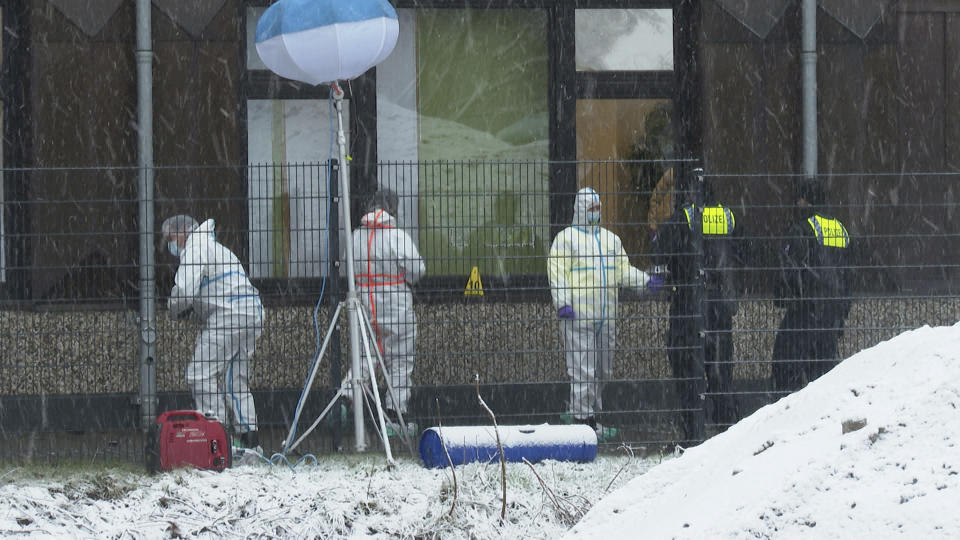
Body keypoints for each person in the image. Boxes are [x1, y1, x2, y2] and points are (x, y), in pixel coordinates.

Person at [548, 187, 664, 442]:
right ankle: (582, 423)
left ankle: (587, 415)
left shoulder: (611, 241)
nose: (595, 213)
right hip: (578, 318)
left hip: (606, 317)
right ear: (579, 209)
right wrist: (563, 303)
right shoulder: (566, 240)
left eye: (597, 208)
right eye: (590, 209)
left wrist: (645, 281)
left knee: (603, 371)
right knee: (583, 371)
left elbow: (623, 270)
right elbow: (557, 274)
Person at [162, 214, 265, 458]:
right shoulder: (216, 248)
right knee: (235, 380)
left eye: (171, 239)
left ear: (185, 231)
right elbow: (212, 292)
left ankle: (217, 439)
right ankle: (250, 444)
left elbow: (185, 292)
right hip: (251, 312)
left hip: (229, 316)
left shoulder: (195, 247)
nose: (170, 246)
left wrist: (172, 307)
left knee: (199, 373)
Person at [652, 182, 745, 441]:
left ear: (691, 194)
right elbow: (746, 251)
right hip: (721, 305)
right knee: (720, 370)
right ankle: (727, 431)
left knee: (687, 370)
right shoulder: (728, 217)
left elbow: (659, 253)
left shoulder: (684, 217)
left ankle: (694, 434)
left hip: (689, 302)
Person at [352, 189, 426, 437]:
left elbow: (347, 271)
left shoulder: (355, 238)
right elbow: (418, 270)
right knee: (400, 361)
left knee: (366, 357)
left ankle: (346, 400)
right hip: (397, 309)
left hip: (366, 309)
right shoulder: (396, 236)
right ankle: (396, 417)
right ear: (392, 209)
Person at [772, 181, 852, 392]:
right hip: (832, 312)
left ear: (806, 200)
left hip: (806, 310)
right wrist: (843, 308)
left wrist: (784, 297)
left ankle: (788, 414)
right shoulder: (841, 229)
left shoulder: (803, 228)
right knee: (823, 372)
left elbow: (788, 269)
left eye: (800, 198)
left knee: (786, 364)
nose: (797, 203)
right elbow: (849, 273)